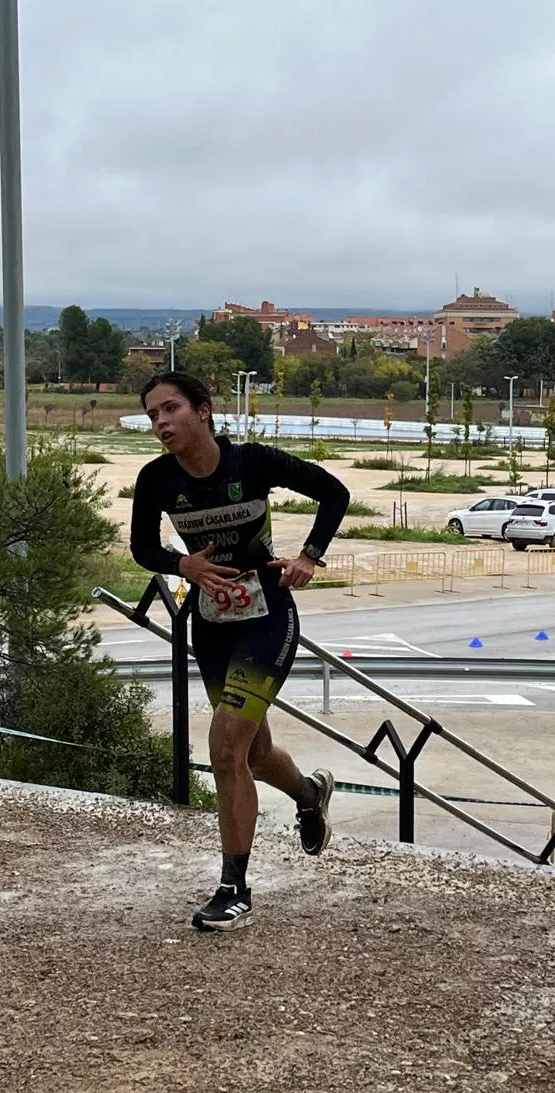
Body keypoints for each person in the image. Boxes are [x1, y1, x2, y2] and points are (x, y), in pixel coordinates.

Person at [130, 371, 350, 933]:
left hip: (267, 616)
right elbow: (141, 547)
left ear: (204, 410)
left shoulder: (252, 462)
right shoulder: (156, 478)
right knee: (253, 754)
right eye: (153, 415)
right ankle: (308, 793)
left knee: (225, 748)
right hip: (212, 625)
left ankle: (234, 890)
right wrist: (184, 565)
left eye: (171, 409)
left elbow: (335, 492)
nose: (161, 423)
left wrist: (309, 557)